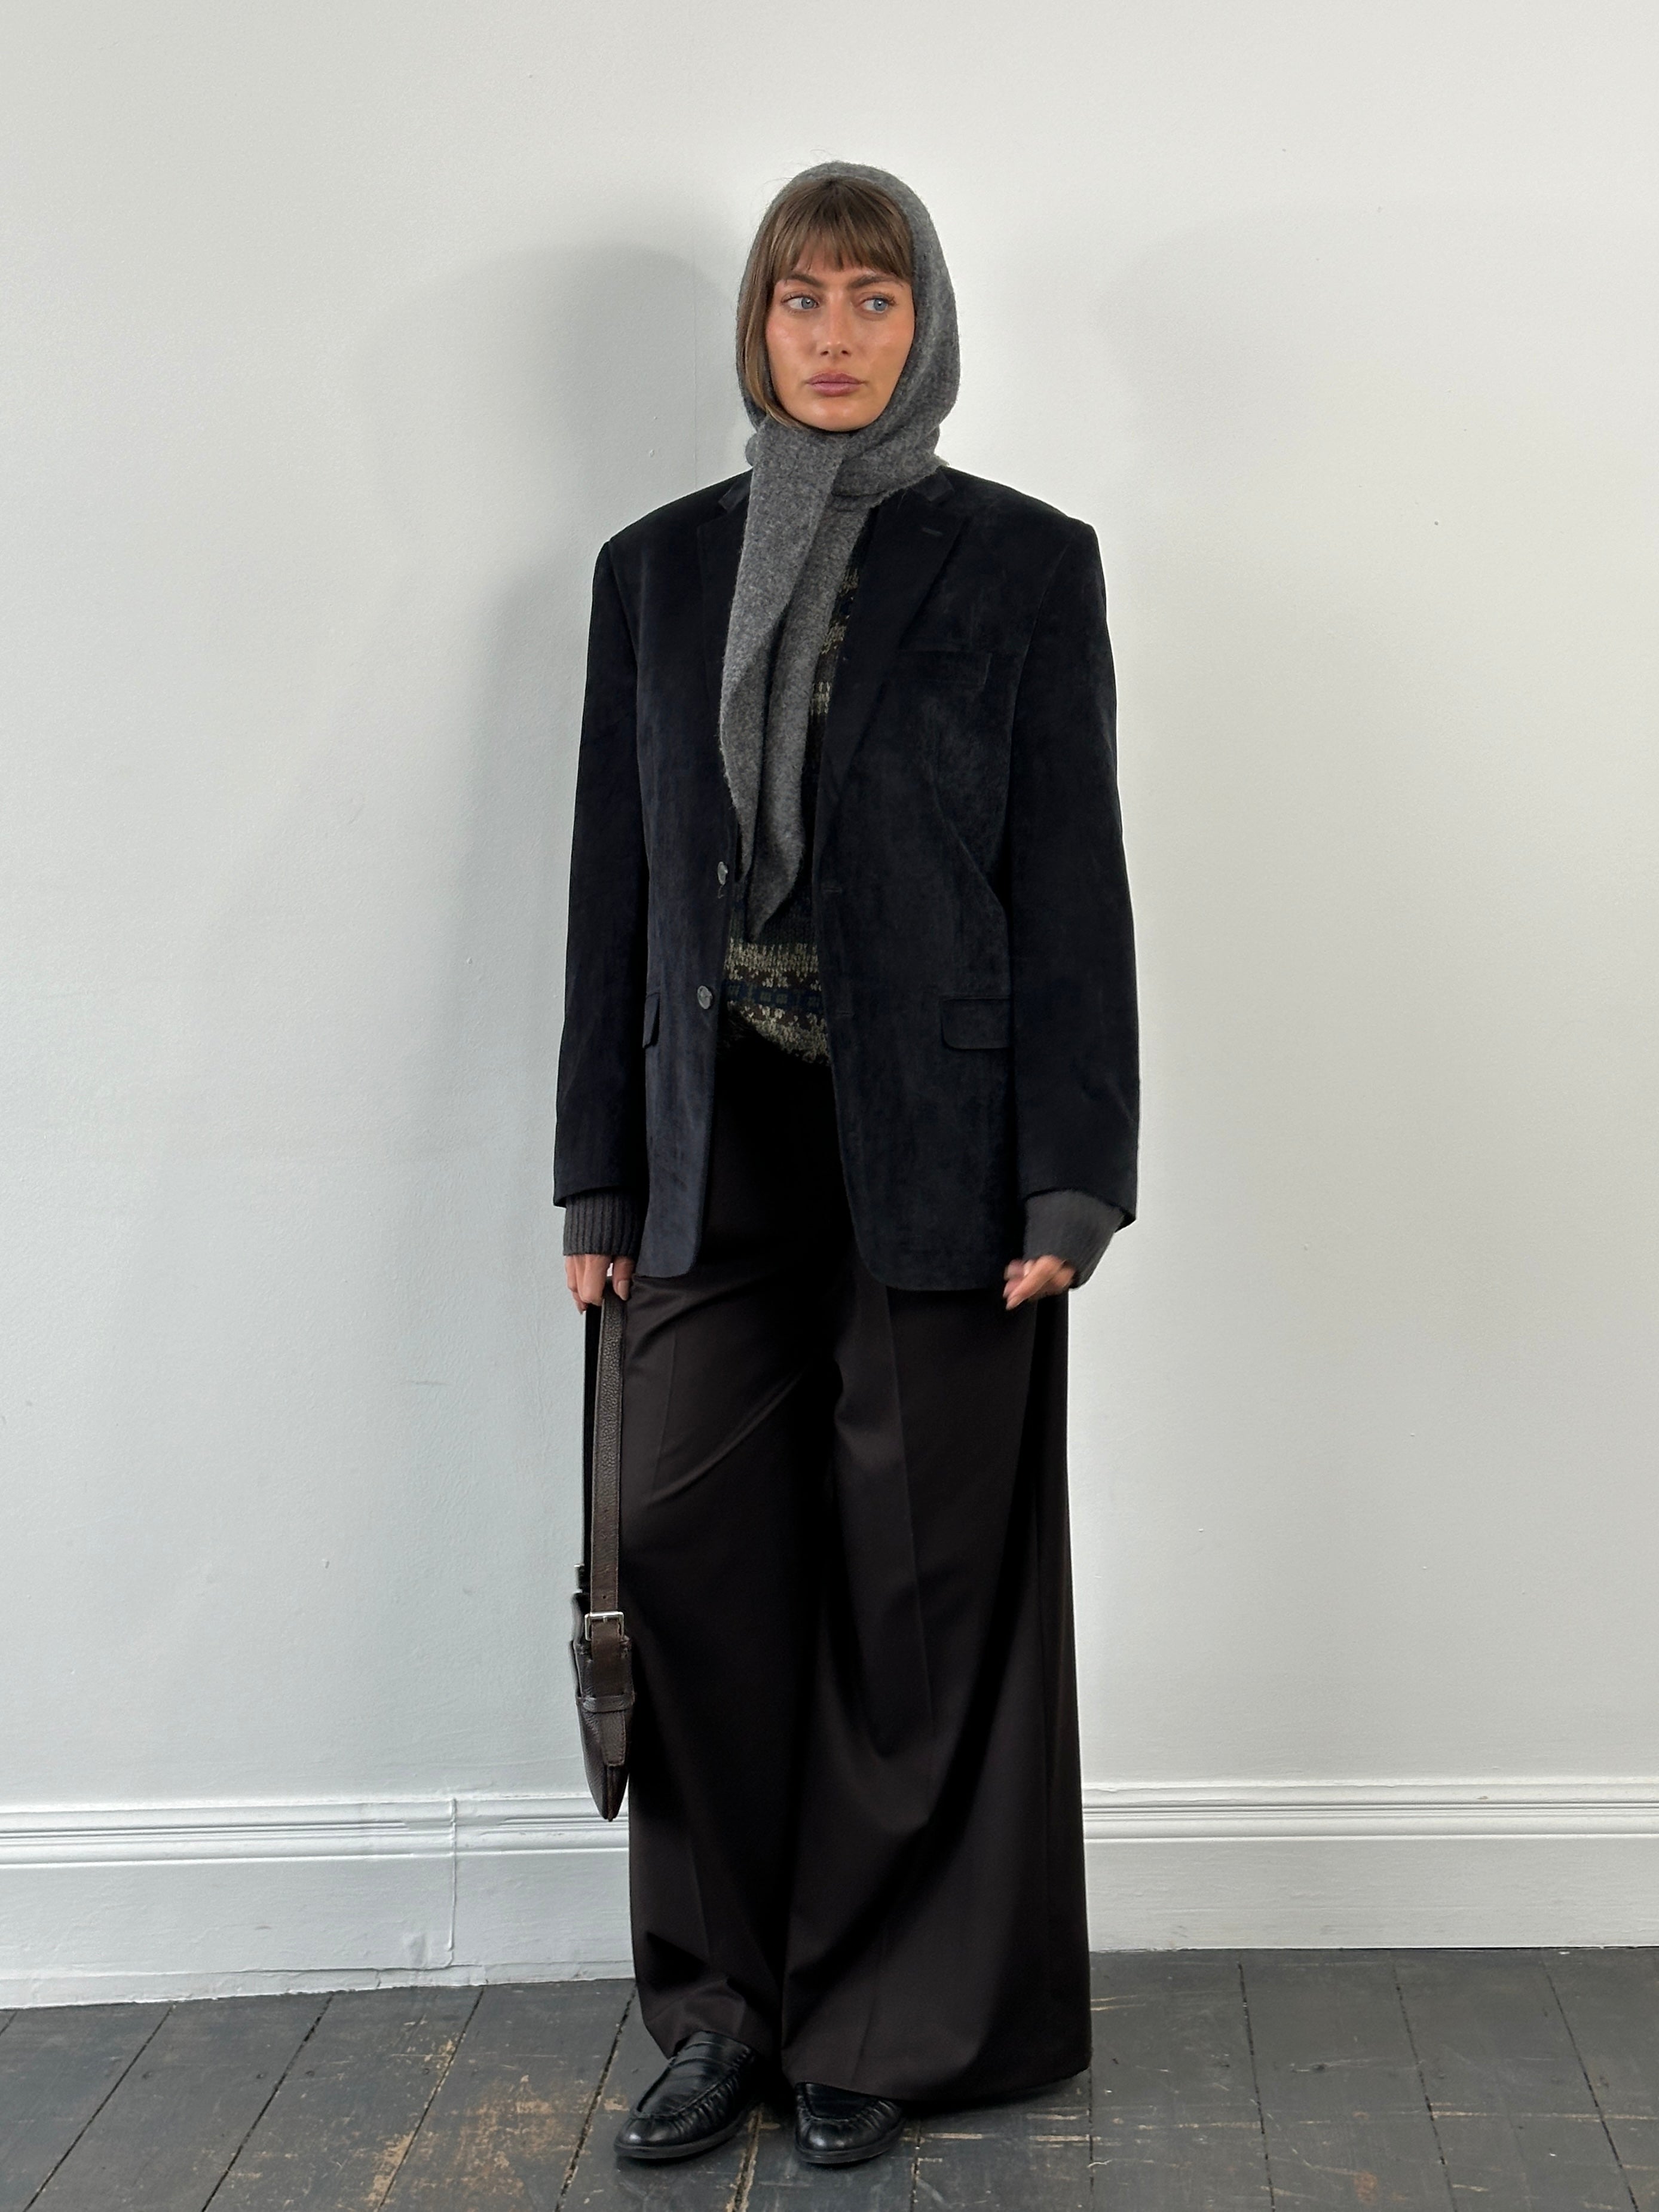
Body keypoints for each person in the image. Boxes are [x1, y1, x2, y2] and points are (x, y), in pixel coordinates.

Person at [553, 160, 1137, 2170]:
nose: (833, 335)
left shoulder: (1024, 564)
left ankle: (875, 2018)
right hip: (711, 1138)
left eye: (873, 300)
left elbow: (1071, 881)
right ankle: (722, 2011)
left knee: (916, 1586)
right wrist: (596, 1176)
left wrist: (1074, 1174)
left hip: (945, 1146)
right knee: (690, 1554)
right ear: (757, 323)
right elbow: (614, 891)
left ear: (927, 325)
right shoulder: (655, 570)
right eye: (802, 299)